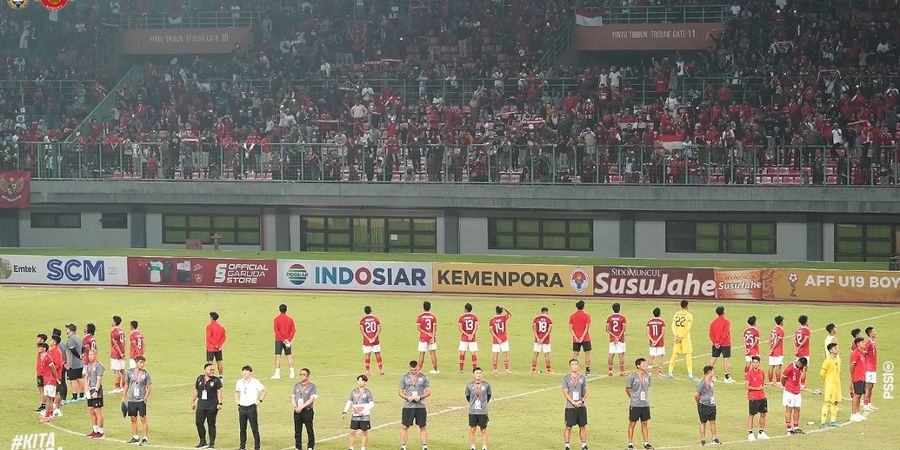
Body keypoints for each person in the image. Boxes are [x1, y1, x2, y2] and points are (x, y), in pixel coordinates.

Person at [399, 360, 431, 450]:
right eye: (411, 370)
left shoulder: (424, 377)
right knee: (405, 426)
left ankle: (424, 446)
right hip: (408, 406)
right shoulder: (404, 377)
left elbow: (429, 391)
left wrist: (420, 397)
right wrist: (407, 397)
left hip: (420, 406)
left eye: (415, 370)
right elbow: (400, 391)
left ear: (419, 368)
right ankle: (403, 446)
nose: (413, 372)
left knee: (422, 426)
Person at [192, 363, 223, 449]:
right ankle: (203, 441)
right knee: (198, 422)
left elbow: (219, 392)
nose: (212, 371)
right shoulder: (199, 378)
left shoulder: (216, 380)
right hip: (201, 404)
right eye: (210, 370)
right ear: (205, 370)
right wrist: (193, 401)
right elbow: (196, 390)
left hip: (212, 405)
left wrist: (220, 403)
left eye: (213, 370)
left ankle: (211, 444)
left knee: (211, 424)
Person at [235, 365, 267, 450]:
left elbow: (264, 390)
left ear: (250, 372)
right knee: (242, 429)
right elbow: (237, 391)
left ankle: (257, 447)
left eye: (246, 371)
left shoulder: (255, 382)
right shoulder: (239, 382)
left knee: (254, 428)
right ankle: (242, 446)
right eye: (243, 371)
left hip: (251, 407)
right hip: (242, 407)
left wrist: (259, 401)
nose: (244, 373)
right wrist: (237, 401)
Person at [122, 355, 152, 446]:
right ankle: (135, 436)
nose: (142, 365)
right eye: (140, 362)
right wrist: (124, 397)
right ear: (136, 363)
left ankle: (145, 438)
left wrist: (145, 397)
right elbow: (126, 384)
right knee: (133, 419)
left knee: (143, 419)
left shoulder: (146, 374)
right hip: (131, 399)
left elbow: (149, 387)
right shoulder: (130, 372)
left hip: (141, 400)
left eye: (143, 363)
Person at [625, 358, 652, 450]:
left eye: (645, 364)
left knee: (645, 423)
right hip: (635, 404)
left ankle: (646, 443)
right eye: (643, 364)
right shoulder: (632, 376)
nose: (645, 366)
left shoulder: (648, 376)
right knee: (632, 423)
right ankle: (630, 443)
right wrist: (633, 398)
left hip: (645, 404)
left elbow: (647, 387)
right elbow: (628, 388)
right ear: (638, 366)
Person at [562, 358, 589, 450]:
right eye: (573, 364)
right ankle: (567, 445)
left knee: (582, 426)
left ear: (578, 366)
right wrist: (573, 402)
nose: (574, 366)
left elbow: (586, 392)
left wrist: (581, 401)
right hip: (570, 407)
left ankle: (584, 445)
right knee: (568, 427)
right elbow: (565, 393)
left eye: (576, 364)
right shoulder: (566, 378)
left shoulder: (582, 378)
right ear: (570, 366)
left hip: (581, 406)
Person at [342, 374, 374, 450]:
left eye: (362, 380)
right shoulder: (353, 392)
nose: (360, 382)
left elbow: (372, 404)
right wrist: (345, 411)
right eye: (359, 380)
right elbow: (349, 402)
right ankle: (351, 447)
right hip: (355, 415)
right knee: (352, 432)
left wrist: (363, 411)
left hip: (364, 416)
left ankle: (363, 448)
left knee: (364, 432)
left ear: (365, 382)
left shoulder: (368, 392)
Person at [465, 367, 492, 450]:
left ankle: (484, 447)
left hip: (483, 411)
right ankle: (473, 446)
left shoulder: (486, 385)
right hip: (473, 411)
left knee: (483, 429)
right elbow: (468, 397)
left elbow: (488, 396)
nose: (479, 374)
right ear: (473, 374)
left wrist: (483, 404)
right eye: (477, 373)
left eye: (480, 373)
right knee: (472, 429)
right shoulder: (469, 386)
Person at [292, 368, 318, 450]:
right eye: (300, 374)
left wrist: (301, 407)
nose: (301, 376)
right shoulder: (297, 385)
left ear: (308, 376)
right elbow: (293, 397)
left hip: (307, 411)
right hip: (297, 411)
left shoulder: (312, 386)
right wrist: (295, 407)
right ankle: (298, 446)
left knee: (309, 429)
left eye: (303, 374)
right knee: (297, 430)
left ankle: (310, 446)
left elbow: (311, 399)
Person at [745, 355, 769, 441]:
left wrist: (760, 388)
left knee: (763, 414)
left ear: (759, 363)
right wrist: (757, 388)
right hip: (753, 397)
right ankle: (750, 433)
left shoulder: (762, 372)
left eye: (757, 362)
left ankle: (761, 432)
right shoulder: (749, 374)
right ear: (752, 363)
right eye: (754, 362)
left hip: (762, 397)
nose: (755, 364)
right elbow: (747, 386)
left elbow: (762, 384)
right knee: (751, 415)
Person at [667, 300, 694, 380]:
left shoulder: (676, 314)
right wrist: (681, 337)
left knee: (675, 354)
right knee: (688, 354)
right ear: (687, 306)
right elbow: (688, 328)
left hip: (677, 337)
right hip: (684, 338)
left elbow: (673, 326)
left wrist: (676, 335)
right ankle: (690, 375)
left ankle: (670, 373)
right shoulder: (689, 315)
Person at [780, 357, 807, 435]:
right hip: (789, 392)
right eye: (802, 365)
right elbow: (783, 378)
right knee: (789, 409)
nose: (802, 367)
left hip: (797, 391)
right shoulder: (789, 368)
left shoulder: (800, 368)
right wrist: (785, 386)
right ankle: (789, 429)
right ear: (799, 362)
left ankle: (796, 427)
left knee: (797, 409)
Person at [695, 365, 720, 446]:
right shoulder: (701, 383)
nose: (714, 372)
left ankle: (714, 438)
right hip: (704, 405)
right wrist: (698, 403)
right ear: (709, 372)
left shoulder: (712, 381)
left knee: (713, 421)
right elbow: (696, 395)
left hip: (712, 405)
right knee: (703, 422)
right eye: (713, 370)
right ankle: (703, 439)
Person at [707, 307, 734, 383]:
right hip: (725, 343)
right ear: (723, 312)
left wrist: (715, 342)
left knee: (713, 359)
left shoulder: (713, 322)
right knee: (726, 360)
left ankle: (710, 376)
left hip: (716, 344)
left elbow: (711, 334)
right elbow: (725, 334)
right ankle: (726, 378)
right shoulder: (727, 322)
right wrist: (720, 342)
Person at [819, 343, 841, 429]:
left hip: (837, 384)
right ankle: (822, 423)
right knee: (827, 402)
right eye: (835, 348)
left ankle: (833, 421)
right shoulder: (827, 361)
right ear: (831, 350)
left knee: (835, 402)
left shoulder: (838, 359)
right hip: (830, 385)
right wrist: (828, 380)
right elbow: (821, 374)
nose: (837, 349)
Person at [85, 349, 105, 438]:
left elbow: (99, 380)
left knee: (98, 412)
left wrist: (96, 391)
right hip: (90, 390)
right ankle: (95, 429)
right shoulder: (88, 366)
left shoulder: (99, 366)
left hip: (96, 390)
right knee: (91, 411)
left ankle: (100, 431)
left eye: (92, 355)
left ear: (96, 355)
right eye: (89, 355)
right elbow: (86, 378)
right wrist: (86, 390)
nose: (90, 356)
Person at [569, 300, 593, 376]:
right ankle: (588, 370)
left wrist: (575, 337)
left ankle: (573, 370)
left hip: (576, 338)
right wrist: (582, 337)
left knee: (576, 354)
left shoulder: (572, 316)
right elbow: (587, 328)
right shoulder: (587, 316)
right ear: (583, 306)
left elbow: (570, 328)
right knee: (587, 353)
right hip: (585, 338)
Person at [273, 304, 296, 379]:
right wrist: (288, 339)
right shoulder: (290, 319)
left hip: (279, 340)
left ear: (279, 310)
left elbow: (276, 331)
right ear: (286, 310)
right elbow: (293, 330)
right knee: (289, 356)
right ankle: (292, 373)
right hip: (287, 340)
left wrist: (282, 339)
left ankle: (277, 374)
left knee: (278, 356)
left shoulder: (276, 319)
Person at [360, 306, 384, 376]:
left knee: (367, 355)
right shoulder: (375, 319)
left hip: (367, 341)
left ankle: (367, 371)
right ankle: (381, 370)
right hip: (375, 340)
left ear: (365, 311)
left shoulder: (362, 320)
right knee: (377, 354)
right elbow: (379, 328)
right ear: (371, 310)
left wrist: (368, 338)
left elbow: (362, 331)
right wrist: (374, 337)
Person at [37, 342, 58, 423]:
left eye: (40, 347)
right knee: (48, 398)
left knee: (48, 398)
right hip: (47, 380)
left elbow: (53, 368)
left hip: (50, 380)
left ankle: (47, 415)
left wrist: (56, 378)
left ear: (44, 349)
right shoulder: (42, 357)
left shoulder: (47, 358)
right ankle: (50, 414)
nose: (38, 349)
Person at [65, 323, 86, 402]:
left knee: (73, 380)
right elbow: (83, 347)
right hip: (80, 363)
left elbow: (73, 350)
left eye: (67, 329)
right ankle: (81, 395)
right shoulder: (79, 337)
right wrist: (81, 355)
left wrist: (78, 356)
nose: (66, 330)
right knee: (80, 378)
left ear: (70, 330)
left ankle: (75, 397)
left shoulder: (71, 339)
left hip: (72, 363)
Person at [416, 301, 439, 374]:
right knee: (433, 353)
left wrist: (426, 333)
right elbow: (435, 328)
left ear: (423, 307)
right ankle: (435, 370)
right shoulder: (433, 317)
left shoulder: (420, 317)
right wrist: (432, 336)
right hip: (431, 337)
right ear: (430, 307)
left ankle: (419, 369)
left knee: (422, 353)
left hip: (423, 337)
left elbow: (418, 328)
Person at [488, 306, 512, 374]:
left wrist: (497, 338)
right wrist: (506, 309)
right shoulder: (503, 318)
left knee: (495, 354)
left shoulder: (492, 320)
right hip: (504, 339)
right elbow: (510, 314)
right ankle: (506, 369)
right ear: (501, 311)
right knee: (505, 354)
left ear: (495, 311)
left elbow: (491, 330)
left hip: (496, 340)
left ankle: (495, 370)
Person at [606, 303, 628, 377]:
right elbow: (623, 329)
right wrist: (618, 337)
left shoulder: (609, 318)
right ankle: (622, 372)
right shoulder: (622, 318)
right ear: (619, 308)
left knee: (611, 354)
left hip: (612, 339)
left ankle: (610, 371)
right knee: (621, 355)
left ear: (613, 309)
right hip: (620, 339)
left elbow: (607, 329)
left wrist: (614, 336)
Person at [848, 337, 867, 422]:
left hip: (862, 376)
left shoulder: (861, 353)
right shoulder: (856, 353)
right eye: (863, 342)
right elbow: (852, 366)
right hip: (857, 377)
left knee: (859, 395)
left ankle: (857, 413)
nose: (864, 344)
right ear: (858, 344)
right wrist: (852, 376)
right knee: (856, 395)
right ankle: (853, 414)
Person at [458, 303, 479, 373]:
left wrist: (467, 335)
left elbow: (460, 329)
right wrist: (471, 335)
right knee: (473, 353)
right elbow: (476, 327)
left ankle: (461, 370)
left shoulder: (461, 318)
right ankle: (475, 370)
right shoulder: (474, 317)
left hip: (464, 338)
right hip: (472, 338)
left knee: (462, 353)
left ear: (465, 309)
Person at [531, 307, 554, 374]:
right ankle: (548, 370)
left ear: (541, 312)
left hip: (537, 339)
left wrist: (538, 338)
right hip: (546, 339)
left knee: (535, 354)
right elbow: (549, 330)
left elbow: (534, 329)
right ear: (547, 312)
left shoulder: (536, 319)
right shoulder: (549, 320)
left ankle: (533, 370)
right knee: (546, 355)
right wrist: (543, 338)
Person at [646, 308, 666, 379]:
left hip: (652, 342)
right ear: (660, 314)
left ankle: (649, 372)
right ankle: (660, 373)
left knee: (651, 356)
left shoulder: (649, 322)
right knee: (660, 357)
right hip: (660, 342)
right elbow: (662, 333)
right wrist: (657, 341)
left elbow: (648, 333)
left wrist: (652, 340)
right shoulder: (662, 322)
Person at [206, 312, 227, 378]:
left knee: (210, 363)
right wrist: (219, 345)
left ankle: (210, 376)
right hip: (218, 348)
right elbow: (224, 337)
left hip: (211, 347)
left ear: (211, 318)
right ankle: (221, 377)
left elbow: (209, 337)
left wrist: (215, 344)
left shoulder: (209, 327)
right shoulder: (221, 327)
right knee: (219, 362)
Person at [110, 316, 127, 394]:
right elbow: (124, 341)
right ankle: (123, 386)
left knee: (116, 371)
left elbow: (115, 343)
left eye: (112, 320)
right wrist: (123, 352)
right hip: (122, 352)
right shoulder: (121, 331)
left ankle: (117, 387)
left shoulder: (113, 331)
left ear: (115, 322)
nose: (111, 322)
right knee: (122, 370)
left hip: (116, 353)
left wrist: (119, 352)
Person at [863, 327, 878, 412]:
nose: (875, 332)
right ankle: (865, 405)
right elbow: (863, 354)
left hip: (872, 368)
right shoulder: (868, 343)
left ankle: (869, 403)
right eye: (874, 331)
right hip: (869, 368)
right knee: (868, 387)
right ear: (870, 333)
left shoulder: (872, 342)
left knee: (871, 386)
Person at [793, 316, 811, 388]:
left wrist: (796, 349)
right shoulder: (807, 330)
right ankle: (802, 385)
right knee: (804, 369)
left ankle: (796, 383)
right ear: (806, 322)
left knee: (797, 368)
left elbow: (794, 340)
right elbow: (805, 340)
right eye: (808, 320)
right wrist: (800, 347)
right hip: (804, 352)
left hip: (798, 352)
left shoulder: (797, 330)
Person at [49, 333, 65, 416]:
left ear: (55, 342)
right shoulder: (52, 350)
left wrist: (50, 369)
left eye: (51, 340)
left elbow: (58, 364)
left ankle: (57, 409)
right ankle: (53, 409)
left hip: (56, 375)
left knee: (57, 392)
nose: (50, 341)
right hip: (52, 375)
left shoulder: (57, 351)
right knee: (54, 392)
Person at [768, 316, 785, 383]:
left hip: (772, 350)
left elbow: (770, 340)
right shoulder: (781, 330)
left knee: (771, 366)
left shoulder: (773, 329)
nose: (783, 322)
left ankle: (770, 382)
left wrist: (770, 349)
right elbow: (778, 341)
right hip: (778, 351)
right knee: (778, 366)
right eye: (783, 321)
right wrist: (773, 348)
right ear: (781, 322)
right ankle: (778, 382)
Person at [35, 333, 48, 413]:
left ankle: (44, 405)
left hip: (42, 373)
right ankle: (44, 404)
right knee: (41, 389)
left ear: (42, 340)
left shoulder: (43, 350)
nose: (36, 340)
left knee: (42, 389)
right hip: (39, 372)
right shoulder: (40, 349)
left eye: (38, 338)